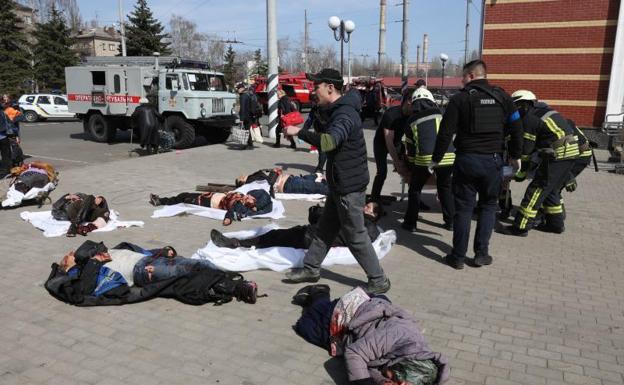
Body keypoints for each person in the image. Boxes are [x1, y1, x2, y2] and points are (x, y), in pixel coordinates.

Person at [282, 68, 390, 294]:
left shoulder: (344, 114)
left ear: (330, 88)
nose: (313, 91)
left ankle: (378, 279)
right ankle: (311, 268)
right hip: (340, 183)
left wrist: (299, 132)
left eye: (316, 87)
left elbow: (329, 142)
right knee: (325, 229)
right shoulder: (336, 110)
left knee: (356, 235)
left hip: (349, 187)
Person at [432, 60, 523, 270]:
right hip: (493, 162)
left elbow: (445, 132)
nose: (461, 80)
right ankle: (481, 254)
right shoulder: (503, 97)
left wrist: (437, 158)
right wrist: (516, 156)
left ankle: (457, 257)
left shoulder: (460, 99)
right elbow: (517, 127)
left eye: (463, 76)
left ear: (471, 76)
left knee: (463, 209)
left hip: (467, 160)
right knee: (488, 207)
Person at [293, 286, 449, 385]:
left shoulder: (413, 369)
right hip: (357, 310)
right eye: (392, 378)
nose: (390, 379)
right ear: (399, 366)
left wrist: (381, 381)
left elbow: (375, 366)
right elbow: (355, 353)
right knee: (306, 327)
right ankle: (319, 293)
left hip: (376, 317)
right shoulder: (397, 336)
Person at [498, 90, 580, 236]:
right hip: (570, 153)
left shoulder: (530, 119)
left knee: (536, 189)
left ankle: (520, 227)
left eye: (515, 106)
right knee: (551, 190)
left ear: (524, 104)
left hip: (558, 155)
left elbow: (526, 151)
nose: (514, 111)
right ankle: (555, 224)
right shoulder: (543, 111)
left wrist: (520, 174)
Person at [211, 201, 381, 250]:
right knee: (277, 235)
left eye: (368, 207)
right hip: (313, 234)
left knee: (273, 236)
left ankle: (236, 243)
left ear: (373, 215)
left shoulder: (361, 222)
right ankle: (241, 242)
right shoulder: (365, 225)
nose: (364, 206)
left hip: (312, 237)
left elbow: (316, 217)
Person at [402, 88, 455, 232]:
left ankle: (410, 223)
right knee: (445, 187)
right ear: (431, 101)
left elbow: (410, 147)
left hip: (424, 159)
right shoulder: (442, 113)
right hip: (449, 157)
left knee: (415, 189)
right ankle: (450, 221)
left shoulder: (411, 121)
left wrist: (412, 164)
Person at [148, 189, 272, 226]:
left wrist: (228, 219)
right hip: (212, 195)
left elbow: (231, 212)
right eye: (250, 196)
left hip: (207, 202)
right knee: (184, 194)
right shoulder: (251, 198)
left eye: (249, 198)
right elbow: (263, 193)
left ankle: (160, 201)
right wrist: (256, 204)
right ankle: (162, 200)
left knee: (184, 197)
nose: (248, 195)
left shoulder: (239, 205)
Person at [370, 91, 411, 203]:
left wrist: (405, 158)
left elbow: (410, 137)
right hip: (381, 143)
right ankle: (374, 198)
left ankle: (414, 198)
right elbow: (389, 141)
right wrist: (397, 162)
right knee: (382, 172)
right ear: (409, 101)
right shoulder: (391, 114)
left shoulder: (412, 115)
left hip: (397, 142)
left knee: (409, 170)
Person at [235, 167, 328, 196]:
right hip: (289, 184)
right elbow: (269, 183)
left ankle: (318, 178)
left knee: (311, 181)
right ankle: (338, 192)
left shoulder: (253, 178)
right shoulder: (252, 181)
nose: (243, 175)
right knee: (317, 187)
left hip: (291, 180)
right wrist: (275, 173)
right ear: (243, 182)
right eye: (241, 178)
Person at [236, 82, 254, 150]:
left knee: (245, 130)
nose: (238, 90)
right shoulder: (247, 94)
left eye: (238, 88)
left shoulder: (243, 96)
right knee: (247, 130)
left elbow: (243, 108)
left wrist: (241, 119)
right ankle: (250, 144)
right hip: (249, 115)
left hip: (246, 116)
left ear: (242, 88)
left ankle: (247, 145)